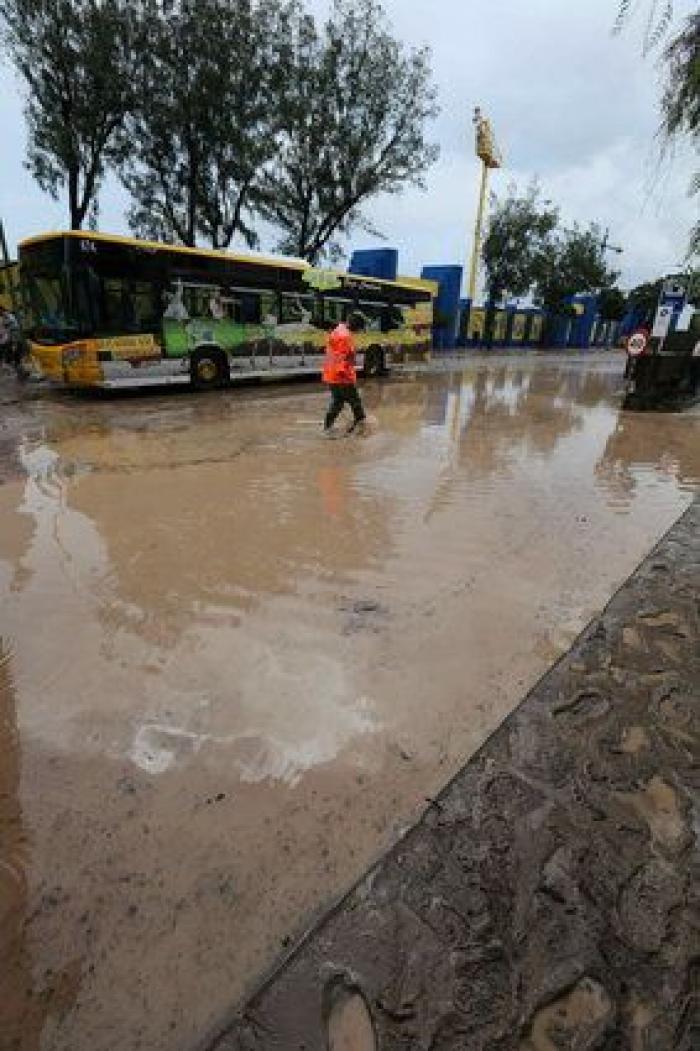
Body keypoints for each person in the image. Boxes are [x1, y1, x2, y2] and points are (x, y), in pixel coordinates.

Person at [322, 311, 367, 435]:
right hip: (341, 376)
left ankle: (327, 427)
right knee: (355, 402)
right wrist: (346, 376)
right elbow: (343, 358)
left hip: (331, 375)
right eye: (360, 328)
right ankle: (363, 425)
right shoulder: (345, 337)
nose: (359, 331)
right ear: (356, 325)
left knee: (338, 401)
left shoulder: (338, 330)